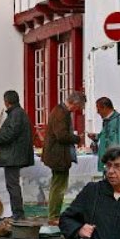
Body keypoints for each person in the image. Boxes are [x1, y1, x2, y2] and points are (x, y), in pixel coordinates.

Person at [42, 91, 86, 226]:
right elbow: (61, 136)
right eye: (79, 107)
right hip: (58, 155)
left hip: (57, 154)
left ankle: (54, 214)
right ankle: (53, 216)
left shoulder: (60, 111)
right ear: (74, 103)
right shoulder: (61, 113)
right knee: (59, 186)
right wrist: (77, 138)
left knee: (57, 185)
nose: (77, 110)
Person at [0, 90, 34, 221]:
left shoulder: (16, 115)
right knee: (13, 184)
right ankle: (17, 212)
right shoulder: (18, 113)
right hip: (15, 154)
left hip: (13, 156)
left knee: (12, 185)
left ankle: (18, 213)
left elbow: (10, 133)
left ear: (7, 102)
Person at [88, 97, 120, 173]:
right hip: (107, 162)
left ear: (105, 108)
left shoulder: (118, 121)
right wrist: (96, 137)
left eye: (98, 109)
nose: (97, 112)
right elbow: (106, 137)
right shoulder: (108, 120)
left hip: (112, 164)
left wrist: (116, 163)